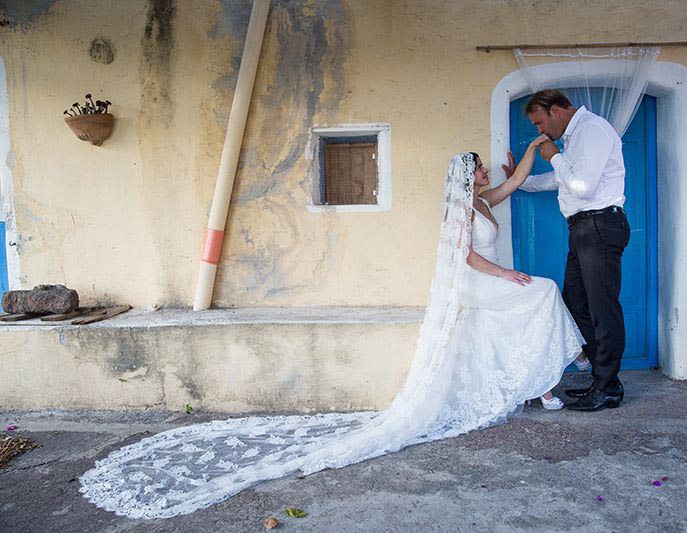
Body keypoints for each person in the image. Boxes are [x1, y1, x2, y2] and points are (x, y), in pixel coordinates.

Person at [79, 146, 583, 519]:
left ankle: (538, 382)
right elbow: (464, 256)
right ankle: (555, 373)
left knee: (524, 309)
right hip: (476, 283)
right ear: (465, 175)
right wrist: (505, 275)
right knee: (539, 291)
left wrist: (537, 152)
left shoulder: (485, 199)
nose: (486, 171)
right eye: (478, 168)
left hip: (487, 285)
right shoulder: (459, 208)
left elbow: (515, 182)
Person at [503, 89, 631, 412]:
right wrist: (521, 180)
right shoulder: (575, 137)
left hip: (599, 224)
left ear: (557, 110)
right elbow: (561, 180)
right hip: (583, 229)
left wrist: (553, 156)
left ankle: (608, 388)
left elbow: (582, 187)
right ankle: (601, 378)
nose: (540, 132)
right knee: (576, 303)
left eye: (540, 122)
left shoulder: (592, 130)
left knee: (603, 308)